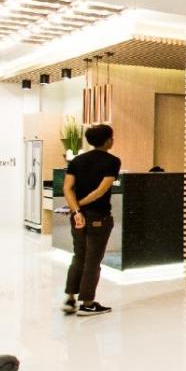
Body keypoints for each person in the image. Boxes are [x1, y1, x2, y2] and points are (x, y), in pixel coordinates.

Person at [62, 123, 120, 317]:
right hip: (98, 217)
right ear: (108, 140)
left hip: (77, 216)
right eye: (111, 137)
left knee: (79, 256)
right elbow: (101, 191)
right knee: (93, 260)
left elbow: (67, 188)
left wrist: (75, 209)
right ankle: (87, 304)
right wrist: (80, 205)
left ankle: (70, 299)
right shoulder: (112, 161)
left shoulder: (77, 160)